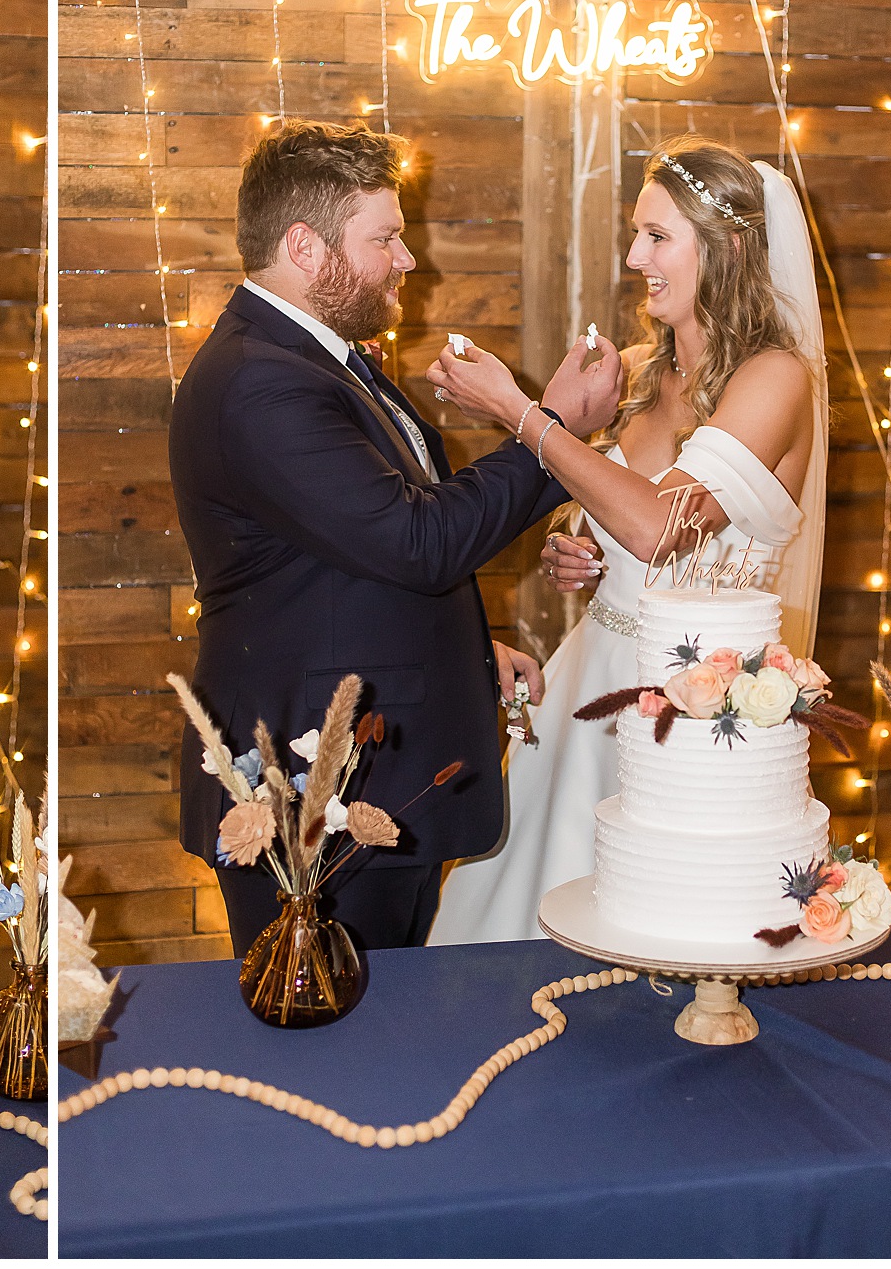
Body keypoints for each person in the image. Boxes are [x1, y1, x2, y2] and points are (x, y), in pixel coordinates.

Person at [168, 120, 624, 954]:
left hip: (367, 777)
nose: (408, 260)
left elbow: (352, 552)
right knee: (332, 1021)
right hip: (311, 791)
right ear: (304, 247)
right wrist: (548, 429)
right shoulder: (260, 380)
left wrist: (463, 646)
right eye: (385, 238)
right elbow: (419, 540)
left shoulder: (321, 359)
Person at [424, 135, 828, 945]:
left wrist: (522, 413)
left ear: (728, 246)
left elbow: (658, 527)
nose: (635, 256)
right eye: (636, 233)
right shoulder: (638, 370)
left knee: (652, 921)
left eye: (657, 236)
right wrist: (575, 540)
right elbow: (615, 514)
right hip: (588, 681)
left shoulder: (775, 378)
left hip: (693, 704)